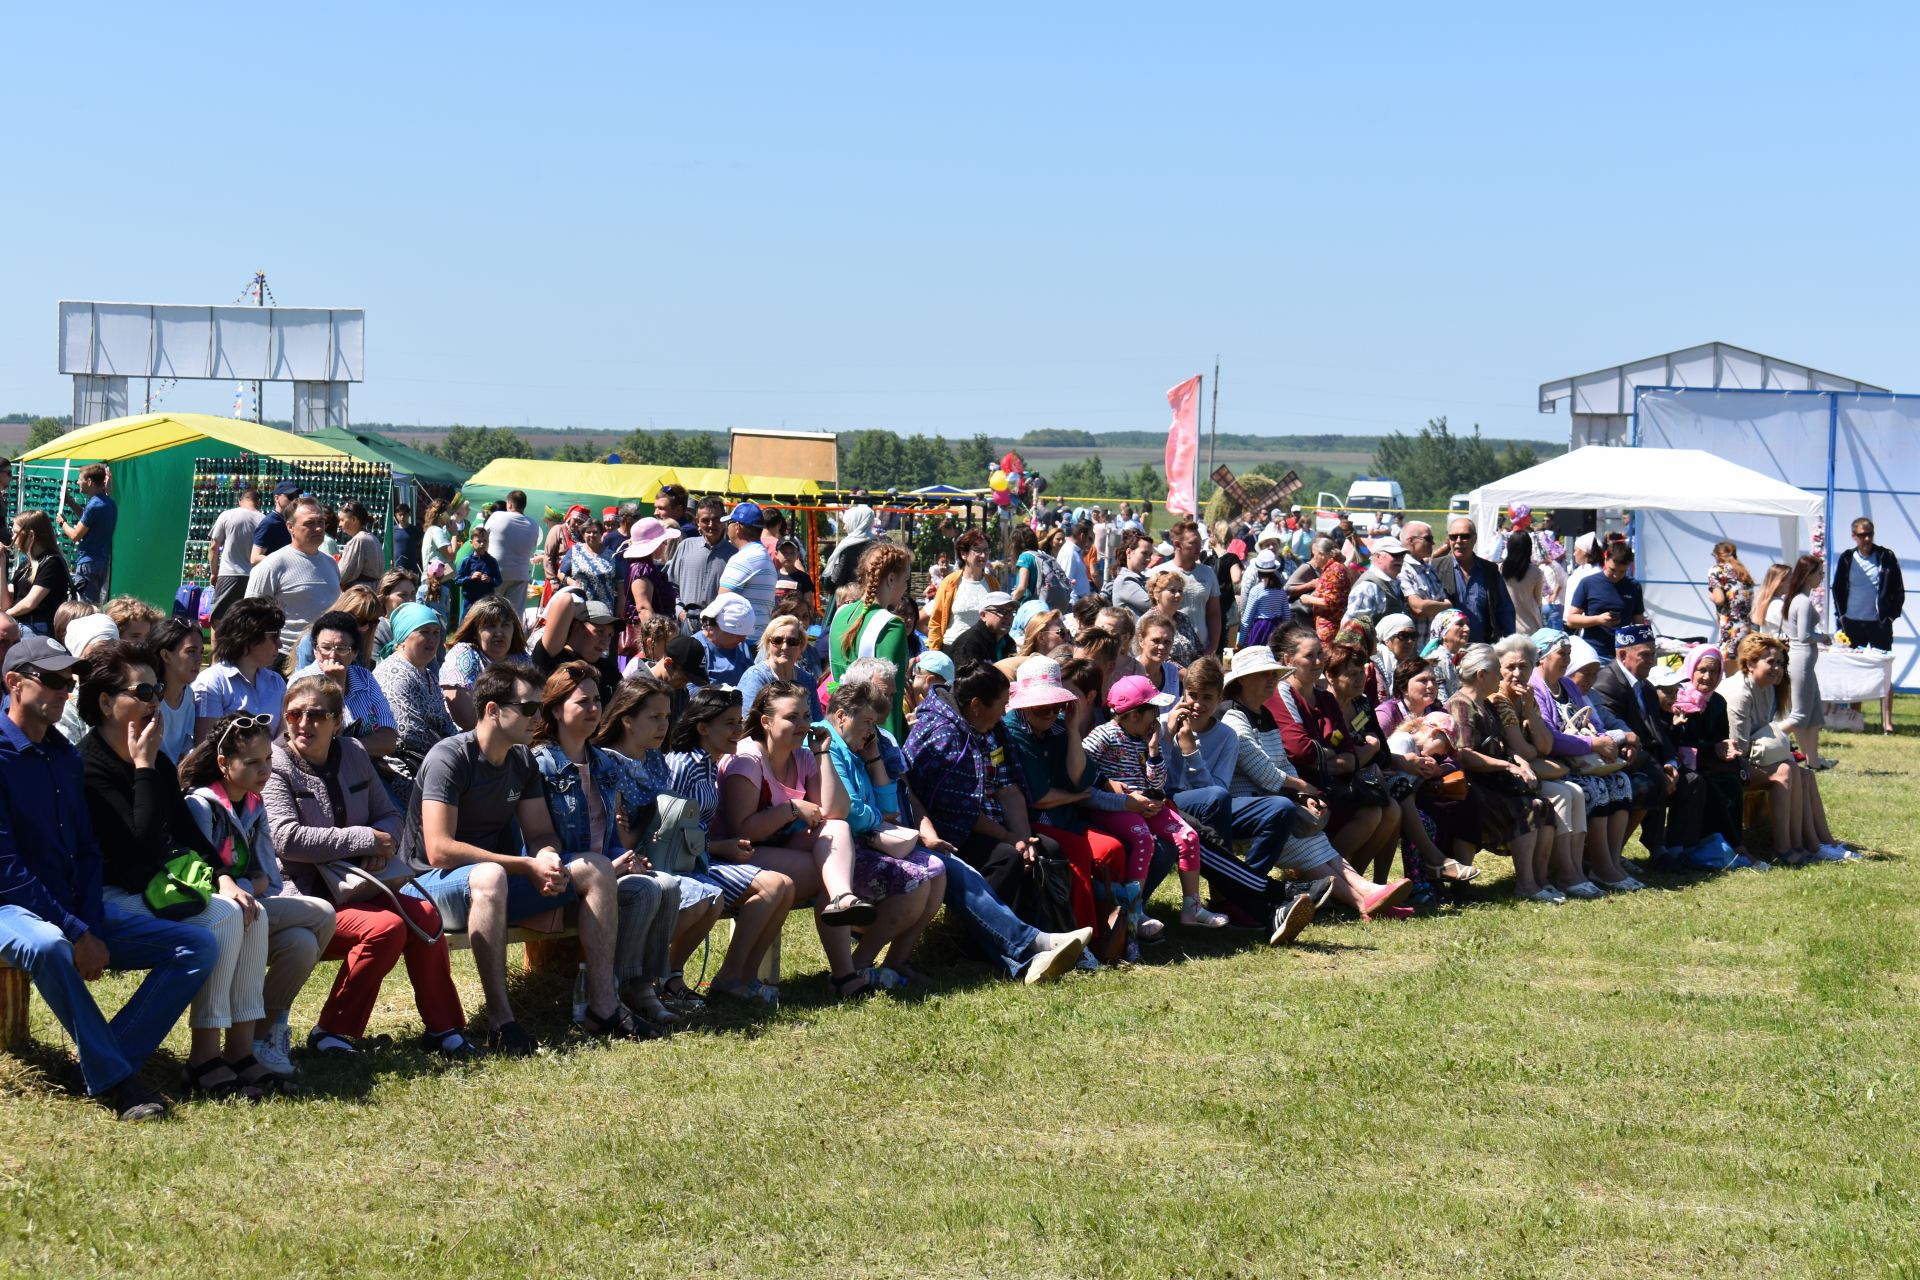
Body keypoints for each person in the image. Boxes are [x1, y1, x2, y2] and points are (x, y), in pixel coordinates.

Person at [0, 635, 216, 1119]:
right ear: (14, 683)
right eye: (52, 680)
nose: (64, 691)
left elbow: (86, 850)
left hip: (65, 904)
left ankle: (101, 1059)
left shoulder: (62, 755)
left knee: (197, 947)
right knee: (47, 945)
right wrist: (76, 931)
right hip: (9, 907)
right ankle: (120, 1082)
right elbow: (7, 872)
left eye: (68, 681)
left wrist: (90, 921)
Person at [405, 663, 639, 1053]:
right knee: (491, 875)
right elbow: (439, 849)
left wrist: (546, 858)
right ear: (494, 710)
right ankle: (503, 1021)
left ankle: (603, 1006)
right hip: (428, 886)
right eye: (529, 709)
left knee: (595, 868)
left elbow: (540, 834)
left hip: (491, 884)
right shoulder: (450, 757)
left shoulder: (522, 760)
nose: (539, 717)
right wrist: (524, 865)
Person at [80, 644, 276, 1101]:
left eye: (157, 689)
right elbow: (138, 845)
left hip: (153, 887)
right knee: (224, 919)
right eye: (143, 690)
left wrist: (225, 878)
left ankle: (240, 1051)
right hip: (109, 894)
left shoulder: (156, 762)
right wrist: (145, 766)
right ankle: (203, 1057)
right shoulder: (89, 766)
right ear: (107, 703)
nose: (155, 700)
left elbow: (188, 834)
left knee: (252, 912)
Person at [264, 672, 476, 1057]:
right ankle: (332, 1031)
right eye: (294, 715)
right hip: (306, 896)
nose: (303, 724)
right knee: (386, 928)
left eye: (315, 716)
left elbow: (388, 813)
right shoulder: (276, 765)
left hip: (364, 883)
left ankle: (444, 1028)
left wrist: (386, 840)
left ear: (336, 721)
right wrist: (366, 839)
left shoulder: (355, 754)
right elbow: (286, 838)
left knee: (426, 914)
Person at [530, 660, 680, 1029]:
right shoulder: (539, 764)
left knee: (666, 884)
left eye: (597, 700)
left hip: (601, 868)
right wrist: (607, 867)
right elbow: (537, 843)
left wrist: (624, 860)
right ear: (554, 708)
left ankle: (641, 987)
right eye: (582, 702)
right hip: (563, 874)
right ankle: (613, 991)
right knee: (643, 894)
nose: (594, 709)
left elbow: (610, 839)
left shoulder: (604, 763)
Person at [1215, 645, 1414, 918]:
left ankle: (1367, 895)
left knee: (1317, 843)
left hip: (1275, 802)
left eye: (1274, 674)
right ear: (1244, 680)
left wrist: (1302, 794)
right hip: (1252, 806)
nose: (1272, 680)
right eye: (1265, 675)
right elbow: (1262, 771)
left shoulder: (1264, 714)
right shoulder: (1233, 717)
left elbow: (1283, 764)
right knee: (1305, 843)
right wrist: (1303, 788)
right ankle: (1364, 899)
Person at [662, 687, 797, 1003]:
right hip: (680, 864)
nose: (738, 732)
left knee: (784, 886)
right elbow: (669, 828)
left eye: (739, 722)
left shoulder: (710, 763)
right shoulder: (684, 765)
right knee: (774, 887)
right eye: (729, 724)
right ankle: (670, 975)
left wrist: (723, 846)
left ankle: (740, 978)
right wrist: (720, 848)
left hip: (703, 859)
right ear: (703, 726)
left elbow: (696, 830)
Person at [1082, 674, 1226, 931]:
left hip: (1145, 805)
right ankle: (1135, 912)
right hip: (1115, 807)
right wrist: (1121, 797)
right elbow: (1080, 767)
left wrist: (1153, 751)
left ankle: (1191, 908)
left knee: (1189, 837)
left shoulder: (1145, 738)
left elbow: (1157, 783)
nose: (1157, 717)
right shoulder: (1103, 735)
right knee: (1143, 838)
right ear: (1135, 715)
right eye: (1153, 710)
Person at [1721, 634, 1852, 864]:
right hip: (1728, 766)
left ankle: (1819, 843)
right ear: (1750, 663)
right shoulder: (1740, 693)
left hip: (1749, 759)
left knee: (1805, 774)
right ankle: (1785, 848)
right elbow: (1738, 749)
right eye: (1770, 662)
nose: (1777, 668)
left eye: (1780, 662)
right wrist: (1775, 753)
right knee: (1786, 771)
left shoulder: (1768, 688)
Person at [1529, 629, 1640, 891]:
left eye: (1569, 654)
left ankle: (1610, 863)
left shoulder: (1566, 684)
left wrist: (1605, 742)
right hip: (1558, 764)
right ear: (1543, 656)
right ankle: (1587, 867)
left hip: (1582, 759)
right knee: (1595, 788)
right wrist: (1594, 743)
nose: (1567, 660)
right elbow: (1550, 739)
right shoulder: (1536, 688)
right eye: (1562, 654)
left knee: (1621, 782)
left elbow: (1589, 721)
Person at [1444, 643, 1555, 900]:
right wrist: (1508, 766)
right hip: (1472, 784)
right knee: (1526, 809)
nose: (1501, 677)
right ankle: (1525, 885)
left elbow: (1503, 745)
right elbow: (1465, 754)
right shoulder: (1461, 705)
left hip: (1493, 781)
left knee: (1544, 807)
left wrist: (1519, 761)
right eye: (1497, 671)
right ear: (1481, 675)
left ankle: (1540, 881)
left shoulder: (1487, 704)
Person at [1585, 624, 1675, 862]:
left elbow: (1657, 730)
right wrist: (1658, 767)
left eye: (1654, 654)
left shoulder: (1644, 685)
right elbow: (1617, 731)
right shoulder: (1607, 684)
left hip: (1643, 756)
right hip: (1618, 759)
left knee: (1691, 780)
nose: (1652, 661)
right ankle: (1609, 856)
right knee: (1650, 782)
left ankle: (1676, 846)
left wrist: (1672, 761)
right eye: (1645, 655)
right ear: (1622, 655)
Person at [828, 541, 914, 738]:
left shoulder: (840, 614)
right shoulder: (892, 625)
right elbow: (890, 695)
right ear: (891, 579)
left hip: (839, 726)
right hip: (871, 737)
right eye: (905, 580)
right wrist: (893, 748)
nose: (905, 588)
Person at [373, 603, 459, 801]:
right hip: (404, 772)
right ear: (403, 637)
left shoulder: (426, 673)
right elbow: (410, 735)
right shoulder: (394, 674)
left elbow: (446, 723)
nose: (432, 639)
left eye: (436, 632)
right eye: (424, 632)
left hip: (434, 762)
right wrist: (457, 754)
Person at [292, 611, 399, 764]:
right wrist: (336, 685)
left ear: (354, 652)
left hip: (366, 767)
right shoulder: (300, 682)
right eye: (325, 648)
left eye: (342, 649)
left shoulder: (365, 678)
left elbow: (388, 739)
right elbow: (321, 740)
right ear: (315, 650)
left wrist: (347, 746)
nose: (332, 656)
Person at [245, 497, 341, 659]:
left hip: (327, 658)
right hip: (285, 657)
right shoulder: (273, 564)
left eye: (321, 522)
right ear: (290, 527)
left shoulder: (331, 563)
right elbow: (249, 615)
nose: (318, 528)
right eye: (310, 523)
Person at [1833, 516, 1903, 734]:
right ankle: (1856, 718)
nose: (1867, 538)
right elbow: (1837, 588)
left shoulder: (1885, 557)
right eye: (1862, 535)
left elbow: (1898, 589)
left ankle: (1887, 722)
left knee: (1884, 671)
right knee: (1855, 671)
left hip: (1878, 623)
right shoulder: (1847, 558)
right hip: (1853, 622)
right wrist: (1842, 616)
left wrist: (1889, 616)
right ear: (1854, 536)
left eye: (1870, 533)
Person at [192, 598, 288, 740]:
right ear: (249, 638)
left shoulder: (277, 682)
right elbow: (206, 746)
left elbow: (284, 738)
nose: (279, 645)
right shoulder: (211, 683)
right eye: (274, 637)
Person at [440, 595, 532, 731]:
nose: (499, 633)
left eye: (505, 625)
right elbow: (466, 719)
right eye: (491, 626)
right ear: (475, 631)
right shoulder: (463, 655)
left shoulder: (522, 658)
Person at [1776, 554, 1828, 765]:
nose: (1822, 577)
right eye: (1819, 573)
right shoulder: (1803, 602)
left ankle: (1813, 760)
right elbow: (1804, 636)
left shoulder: (1795, 598)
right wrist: (1824, 637)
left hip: (1803, 661)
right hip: (1802, 660)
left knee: (1814, 713)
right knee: (1800, 716)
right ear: (1808, 576)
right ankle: (1761, 739)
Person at [532, 589, 621, 703]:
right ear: (578, 627)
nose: (605, 641)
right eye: (599, 632)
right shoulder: (551, 658)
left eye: (610, 635)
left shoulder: (608, 668)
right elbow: (565, 600)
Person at [1566, 542, 1647, 660]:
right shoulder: (1588, 583)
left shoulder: (1634, 586)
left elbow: (1638, 622)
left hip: (1623, 655)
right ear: (1605, 559)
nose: (1616, 575)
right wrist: (1599, 619)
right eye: (1612, 570)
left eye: (1622, 572)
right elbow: (1571, 620)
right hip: (1594, 653)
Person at [738, 613, 823, 721]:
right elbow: (748, 723)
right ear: (768, 644)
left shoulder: (807, 680)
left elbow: (817, 721)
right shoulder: (756, 677)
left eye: (792, 642)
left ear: (800, 646)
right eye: (777, 641)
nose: (784, 647)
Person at [926, 530, 999, 649]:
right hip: (952, 649)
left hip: (984, 650)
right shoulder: (950, 583)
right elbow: (936, 622)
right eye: (978, 551)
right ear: (964, 554)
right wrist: (934, 652)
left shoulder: (993, 583)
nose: (983, 555)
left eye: (986, 550)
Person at [668, 496, 736, 621]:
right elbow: (671, 586)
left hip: (718, 625)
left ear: (725, 518)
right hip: (686, 622)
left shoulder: (735, 554)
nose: (711, 525)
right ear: (697, 521)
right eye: (705, 520)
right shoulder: (685, 546)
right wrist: (680, 613)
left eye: (716, 519)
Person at [619, 516, 681, 653]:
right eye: (663, 542)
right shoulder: (642, 569)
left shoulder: (647, 567)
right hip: (646, 643)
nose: (665, 545)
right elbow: (643, 608)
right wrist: (655, 645)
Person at [714, 501, 777, 635]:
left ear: (737, 527)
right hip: (756, 637)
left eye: (729, 522)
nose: (726, 527)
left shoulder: (744, 558)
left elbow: (721, 602)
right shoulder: (762, 554)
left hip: (741, 641)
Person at [59, 463, 117, 603]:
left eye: (80, 479)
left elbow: (75, 536)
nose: (78, 482)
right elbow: (87, 518)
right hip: (102, 562)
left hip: (88, 564)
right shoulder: (109, 503)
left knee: (85, 606)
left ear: (89, 482)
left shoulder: (94, 506)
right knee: (95, 604)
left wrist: (62, 523)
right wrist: (69, 501)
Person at [206, 486, 264, 627]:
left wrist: (214, 573)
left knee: (219, 620)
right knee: (249, 622)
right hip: (255, 577)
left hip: (229, 574)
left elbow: (214, 547)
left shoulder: (228, 515)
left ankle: (220, 649)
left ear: (240, 501)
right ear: (259, 502)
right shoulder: (265, 520)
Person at [8, 511, 70, 636]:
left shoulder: (52, 563)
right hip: (19, 626)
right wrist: (2, 564)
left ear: (31, 535)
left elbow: (30, 603)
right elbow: (6, 602)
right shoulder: (24, 565)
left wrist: (5, 615)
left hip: (37, 630)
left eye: (15, 532)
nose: (12, 537)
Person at [482, 490, 541, 617]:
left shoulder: (496, 516)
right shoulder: (533, 524)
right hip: (520, 575)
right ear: (524, 505)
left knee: (490, 612)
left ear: (509, 504)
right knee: (513, 616)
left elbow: (482, 536)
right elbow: (534, 544)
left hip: (495, 573)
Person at [1166, 520, 1222, 652]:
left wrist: (1213, 646)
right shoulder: (1160, 573)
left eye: (1200, 542)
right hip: (1169, 649)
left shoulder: (1208, 573)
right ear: (1177, 544)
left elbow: (1214, 613)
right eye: (1193, 543)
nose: (1199, 547)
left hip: (1201, 648)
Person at [1396, 521, 1447, 645]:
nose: (1433, 543)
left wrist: (1434, 606)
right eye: (1428, 539)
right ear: (1411, 541)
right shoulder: (1401, 569)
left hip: (1431, 648)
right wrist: (1445, 606)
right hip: (1412, 650)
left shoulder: (1428, 569)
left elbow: (1445, 605)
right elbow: (1418, 608)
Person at [561, 510, 620, 617]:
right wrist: (572, 582)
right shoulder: (575, 550)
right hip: (580, 604)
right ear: (583, 534)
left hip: (605, 607)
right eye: (588, 532)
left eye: (595, 532)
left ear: (601, 534)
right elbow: (561, 573)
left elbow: (620, 583)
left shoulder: (611, 555)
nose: (592, 535)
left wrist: (620, 607)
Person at [1342, 536, 1409, 625]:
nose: (1400, 559)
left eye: (1402, 555)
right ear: (1378, 557)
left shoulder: (1395, 582)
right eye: (1395, 555)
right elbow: (1351, 629)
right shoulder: (1367, 587)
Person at [696, 595, 756, 690]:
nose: (742, 640)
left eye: (745, 635)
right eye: (737, 635)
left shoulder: (741, 646)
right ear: (714, 627)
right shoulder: (696, 648)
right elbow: (691, 691)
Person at [1706, 540, 1755, 651]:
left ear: (1717, 555)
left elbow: (1719, 599)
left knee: (1728, 661)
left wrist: (1711, 596)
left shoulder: (1716, 570)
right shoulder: (1742, 571)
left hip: (1731, 627)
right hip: (1747, 626)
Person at [945, 591, 1016, 668]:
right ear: (983, 615)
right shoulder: (969, 644)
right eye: (1002, 611)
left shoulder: (1008, 642)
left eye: (1011, 612)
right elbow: (965, 678)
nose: (1008, 617)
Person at [1500, 531, 1545, 636]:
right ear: (1529, 548)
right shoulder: (1536, 572)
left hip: (1506, 628)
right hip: (1531, 628)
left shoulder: (1499, 569)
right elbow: (1538, 601)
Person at [333, 500, 384, 592]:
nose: (339, 524)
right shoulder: (373, 538)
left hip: (361, 594)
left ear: (353, 520)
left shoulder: (358, 540)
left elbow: (343, 575)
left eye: (342, 520)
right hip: (373, 591)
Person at [249, 480, 303, 565]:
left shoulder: (292, 521)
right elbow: (255, 558)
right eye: (291, 496)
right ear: (277, 498)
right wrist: (284, 561)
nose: (294, 500)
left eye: (296, 496)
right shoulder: (269, 523)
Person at [454, 524, 502, 617]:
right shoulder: (467, 560)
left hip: (485, 602)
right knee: (466, 625)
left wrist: (490, 580)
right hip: (469, 602)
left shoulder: (492, 561)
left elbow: (499, 580)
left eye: (485, 541)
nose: (482, 544)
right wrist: (470, 577)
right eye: (479, 541)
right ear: (471, 542)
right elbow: (457, 580)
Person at [1108, 529, 1154, 616]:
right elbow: (1155, 606)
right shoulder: (1125, 581)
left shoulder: (1142, 579)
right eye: (1144, 553)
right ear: (1129, 552)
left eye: (1150, 555)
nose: (1148, 559)